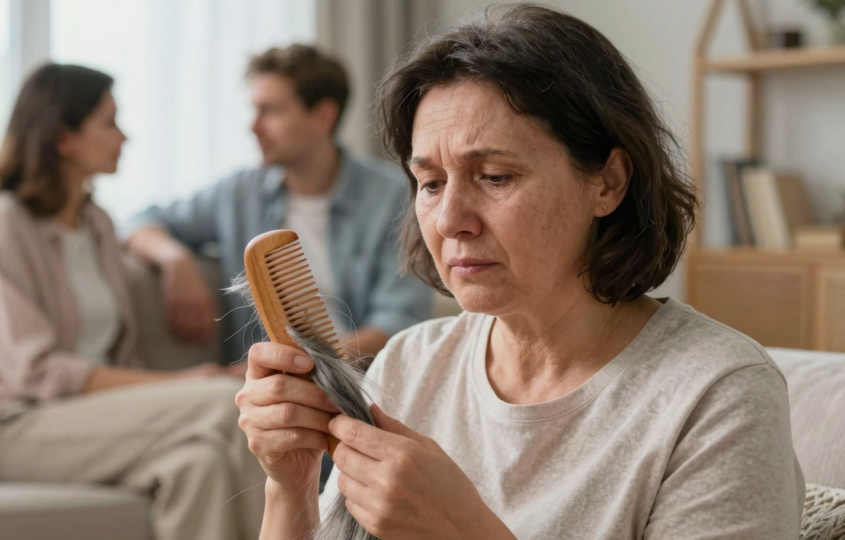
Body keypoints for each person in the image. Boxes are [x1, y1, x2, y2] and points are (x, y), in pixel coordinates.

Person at [235, 5, 805, 539]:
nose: (451, 220)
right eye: (430, 183)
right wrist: (291, 488)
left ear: (607, 182)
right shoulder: (412, 364)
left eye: (496, 177)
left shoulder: (718, 394)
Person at [0, 63, 264, 540]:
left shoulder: (97, 226)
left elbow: (116, 352)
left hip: (83, 422)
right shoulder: (1, 226)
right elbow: (34, 373)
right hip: (10, 427)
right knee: (228, 401)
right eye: (109, 122)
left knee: (199, 466)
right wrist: (180, 383)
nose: (124, 137)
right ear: (62, 138)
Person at [124, 44, 432, 365]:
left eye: (270, 111)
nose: (253, 126)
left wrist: (315, 364)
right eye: (254, 110)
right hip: (267, 381)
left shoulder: (391, 196)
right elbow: (140, 221)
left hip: (363, 373)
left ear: (322, 116)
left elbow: (399, 319)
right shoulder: (239, 193)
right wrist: (175, 260)